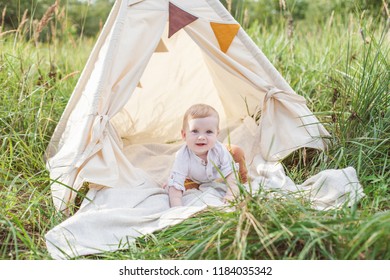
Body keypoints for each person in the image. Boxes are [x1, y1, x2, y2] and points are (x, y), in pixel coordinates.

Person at [164, 103, 248, 207]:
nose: (201, 137)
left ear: (217, 134)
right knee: (174, 186)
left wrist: (231, 194)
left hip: (218, 165)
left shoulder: (219, 150)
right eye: (194, 131)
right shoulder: (183, 156)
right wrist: (177, 208)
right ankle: (171, 180)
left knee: (236, 151)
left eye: (208, 132)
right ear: (184, 135)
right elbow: (176, 187)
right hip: (192, 178)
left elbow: (230, 172)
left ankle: (243, 180)